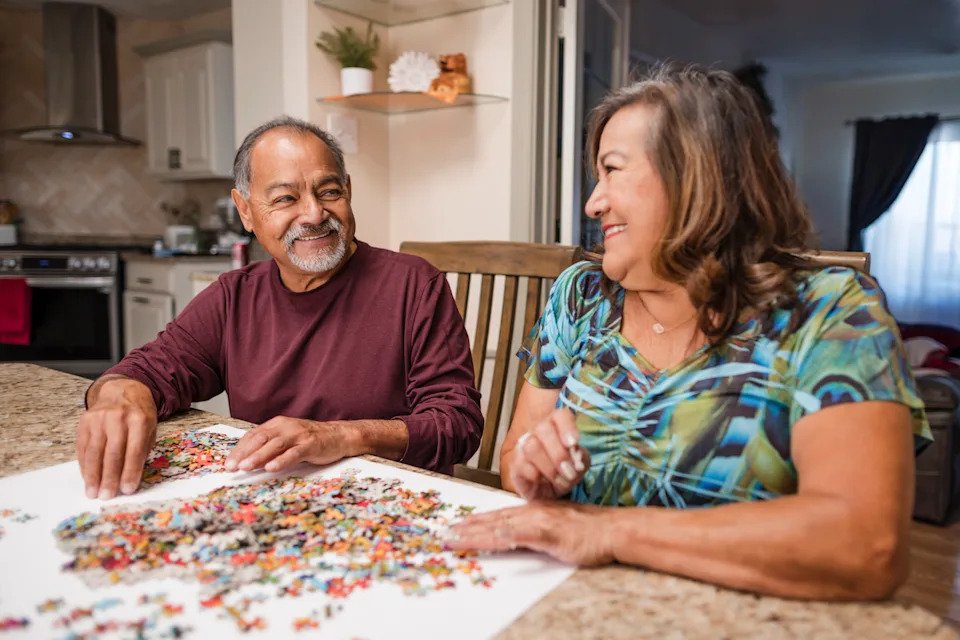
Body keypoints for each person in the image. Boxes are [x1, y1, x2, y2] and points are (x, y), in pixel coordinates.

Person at [449, 64, 932, 600]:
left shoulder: (830, 312)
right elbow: (515, 462)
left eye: (612, 171)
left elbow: (865, 545)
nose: (593, 202)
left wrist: (607, 531)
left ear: (695, 179)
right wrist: (537, 478)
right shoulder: (580, 296)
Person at [78, 116, 483, 500]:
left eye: (329, 192)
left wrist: (341, 437)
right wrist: (119, 393)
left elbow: (458, 424)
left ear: (349, 191)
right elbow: (151, 370)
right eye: (286, 198)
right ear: (246, 210)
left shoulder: (413, 284)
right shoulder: (233, 296)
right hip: (272, 503)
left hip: (387, 503)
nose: (314, 214)